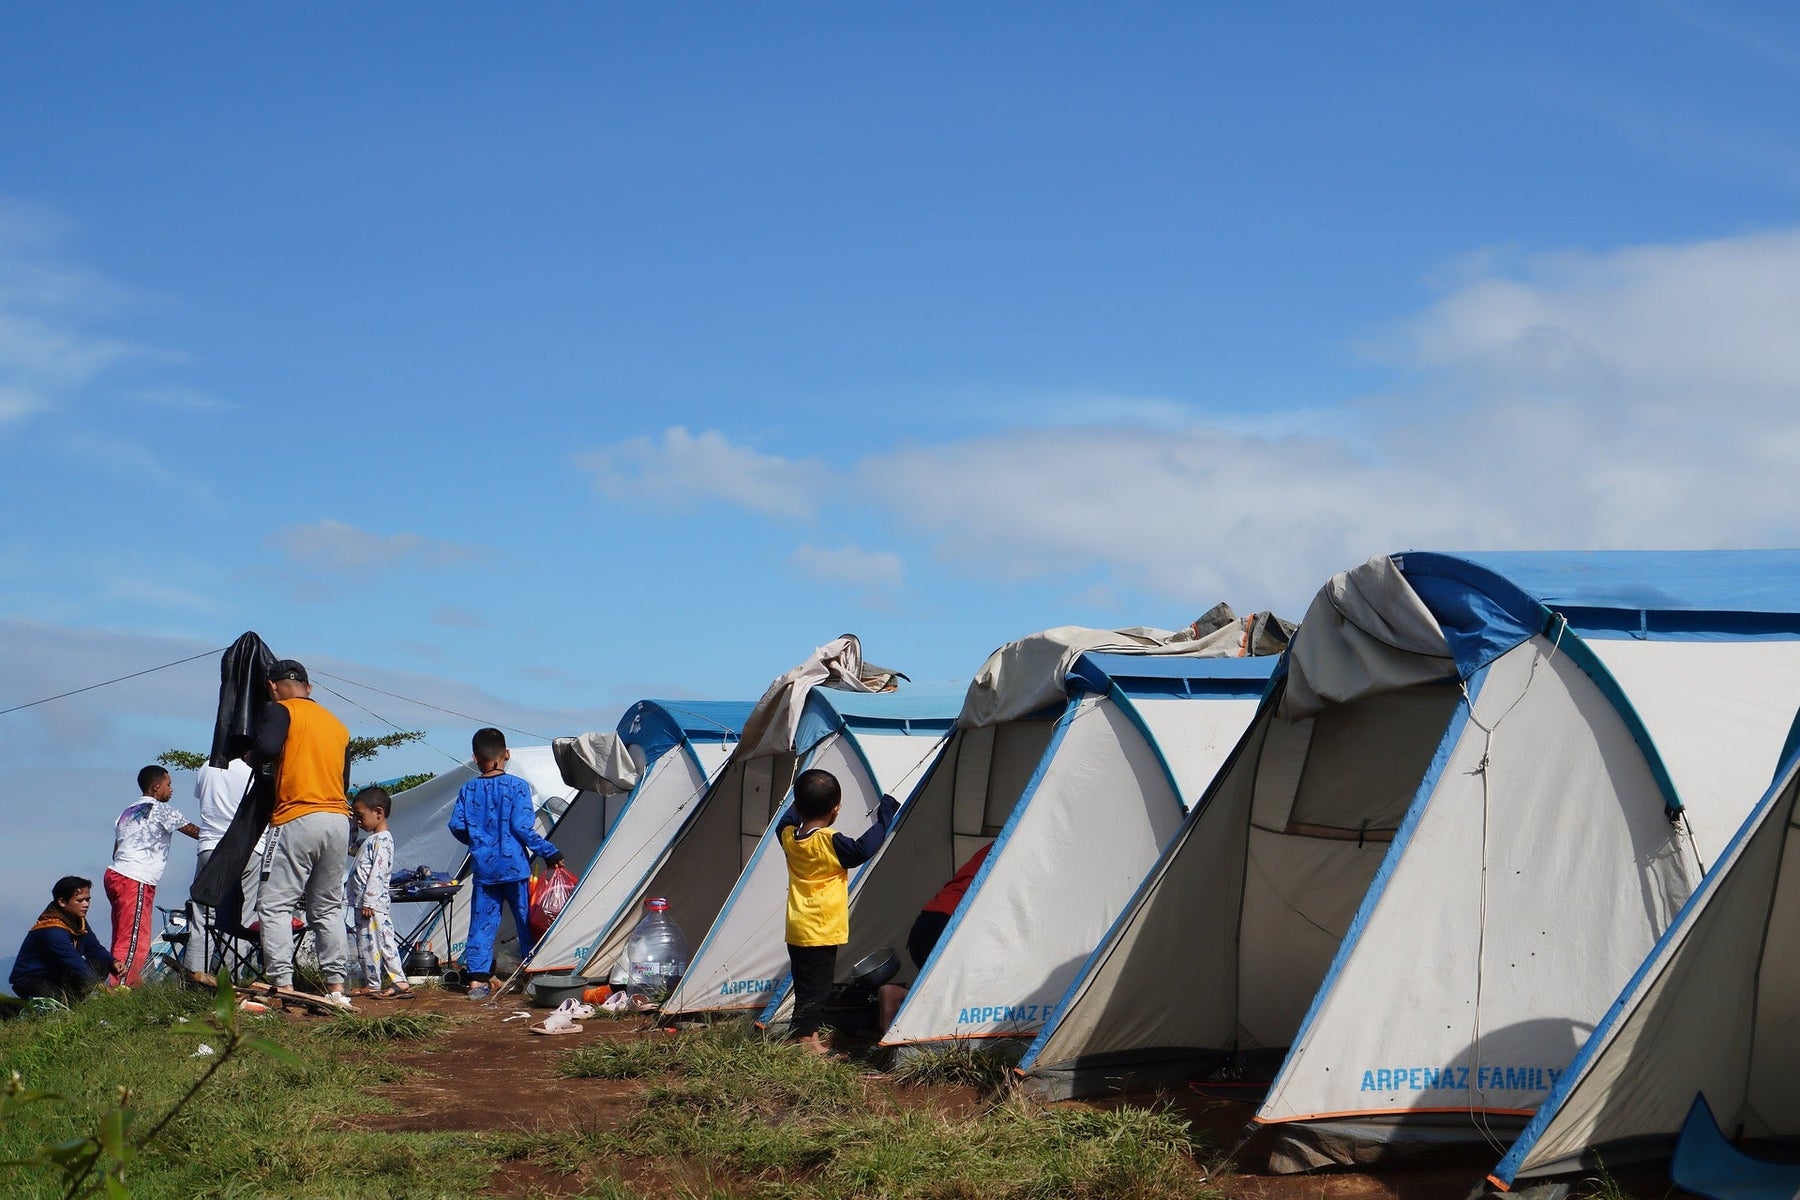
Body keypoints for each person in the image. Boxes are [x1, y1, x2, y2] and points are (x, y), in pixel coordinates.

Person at [250, 658, 355, 1008]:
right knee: (327, 906)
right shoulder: (338, 726)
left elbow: (265, 750)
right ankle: (337, 989)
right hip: (338, 819)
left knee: (274, 904)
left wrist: (251, 754)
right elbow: (345, 780)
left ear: (273, 687)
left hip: (297, 816)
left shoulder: (280, 711)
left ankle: (282, 983)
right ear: (310, 688)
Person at [776, 768, 900, 1054]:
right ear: (836, 809)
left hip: (798, 927)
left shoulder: (789, 838)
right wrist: (886, 814)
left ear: (799, 805)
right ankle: (808, 1042)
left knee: (805, 984)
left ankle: (803, 1036)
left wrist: (801, 803)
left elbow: (786, 820)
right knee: (818, 989)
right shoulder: (829, 841)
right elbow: (863, 849)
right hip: (821, 928)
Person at [448, 727, 562, 1002]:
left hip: (485, 870)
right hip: (514, 867)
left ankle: (477, 981)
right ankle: (533, 974)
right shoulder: (517, 787)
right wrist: (550, 852)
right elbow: (522, 828)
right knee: (525, 920)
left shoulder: (469, 788)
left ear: (475, 758)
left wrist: (477, 841)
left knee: (482, 923)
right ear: (506, 754)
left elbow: (456, 825)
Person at [877, 842, 992, 1030]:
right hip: (951, 922)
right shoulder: (1016, 848)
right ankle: (899, 995)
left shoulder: (995, 844)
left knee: (943, 989)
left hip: (928, 920)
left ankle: (888, 1039)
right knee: (959, 992)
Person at [105, 765, 200, 986]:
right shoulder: (162, 810)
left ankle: (127, 983)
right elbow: (197, 833)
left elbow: (116, 849)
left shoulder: (126, 812)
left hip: (116, 874)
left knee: (122, 934)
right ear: (156, 787)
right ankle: (122, 987)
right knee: (134, 939)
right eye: (169, 784)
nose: (172, 789)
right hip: (135, 878)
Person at [181, 735, 255, 982]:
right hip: (247, 849)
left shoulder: (206, 767)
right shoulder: (250, 772)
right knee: (242, 915)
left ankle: (195, 976)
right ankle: (231, 979)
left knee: (202, 915)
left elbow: (202, 798)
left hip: (210, 846)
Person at [346, 787, 413, 999]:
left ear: (378, 812)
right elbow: (349, 848)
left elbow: (378, 873)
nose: (358, 820)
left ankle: (399, 981)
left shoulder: (383, 840)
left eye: (360, 816)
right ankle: (372, 983)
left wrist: (369, 901)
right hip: (361, 904)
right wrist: (351, 825)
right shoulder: (370, 840)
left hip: (372, 906)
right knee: (366, 945)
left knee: (382, 942)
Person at [10, 876, 117, 1004]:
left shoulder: (78, 922)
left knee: (102, 963)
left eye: (88, 900)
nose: (86, 904)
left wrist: (113, 962)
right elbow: (77, 965)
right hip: (31, 979)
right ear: (62, 902)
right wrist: (106, 991)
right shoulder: (52, 931)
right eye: (80, 900)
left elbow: (94, 949)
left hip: (58, 974)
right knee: (59, 1001)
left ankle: (76, 1000)